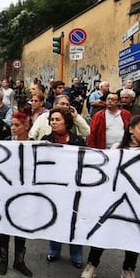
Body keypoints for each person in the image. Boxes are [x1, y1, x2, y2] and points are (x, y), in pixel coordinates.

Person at [81, 115, 140, 278]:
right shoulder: (117, 148)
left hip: (137, 200)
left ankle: (128, 269)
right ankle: (92, 264)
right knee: (103, 229)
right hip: (115, 197)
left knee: (133, 233)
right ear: (131, 129)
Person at [42, 107, 86, 267]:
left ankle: (76, 254)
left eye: (57, 119)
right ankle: (54, 249)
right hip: (53, 188)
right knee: (55, 218)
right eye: (52, 120)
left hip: (73, 187)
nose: (54, 122)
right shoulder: (46, 140)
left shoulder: (78, 141)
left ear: (66, 122)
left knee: (74, 220)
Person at [0, 110, 34, 277]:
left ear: (26, 126)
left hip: (25, 192)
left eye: (17, 125)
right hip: (6, 190)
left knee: (21, 226)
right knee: (4, 226)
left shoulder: (35, 145)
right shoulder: (6, 142)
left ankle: (19, 261)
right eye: (12, 124)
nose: (13, 128)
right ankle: (3, 259)